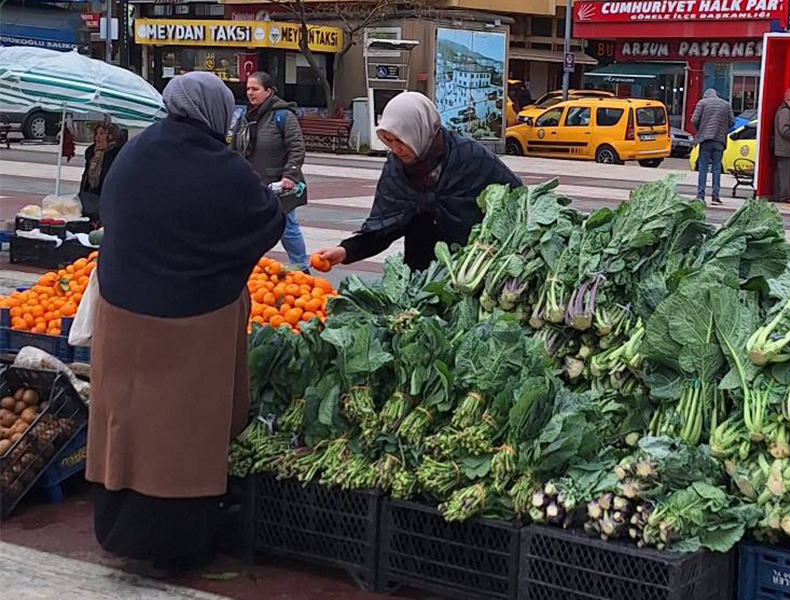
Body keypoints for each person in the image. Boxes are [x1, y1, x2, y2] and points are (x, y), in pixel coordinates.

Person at [86, 72, 285, 574]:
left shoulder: (133, 154)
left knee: (126, 427)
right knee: (180, 439)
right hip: (192, 327)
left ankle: (118, 531)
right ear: (215, 113)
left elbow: (112, 214)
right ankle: (178, 547)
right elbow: (266, 220)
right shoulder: (222, 168)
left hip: (122, 316)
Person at [315, 92, 521, 271]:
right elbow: (384, 225)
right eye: (389, 141)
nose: (395, 149)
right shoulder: (396, 168)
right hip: (422, 279)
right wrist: (345, 251)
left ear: (419, 130)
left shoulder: (470, 156)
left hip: (474, 271)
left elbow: (517, 199)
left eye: (400, 140)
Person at [232, 71, 308, 269]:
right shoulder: (246, 116)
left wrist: (289, 175)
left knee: (288, 227)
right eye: (248, 88)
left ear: (269, 91)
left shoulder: (283, 115)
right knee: (251, 227)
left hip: (279, 185)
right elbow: (234, 147)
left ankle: (301, 267)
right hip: (253, 183)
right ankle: (250, 268)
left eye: (255, 89)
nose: (250, 93)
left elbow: (297, 147)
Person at [691, 88, 733, 205]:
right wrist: (722, 129)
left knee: (703, 168)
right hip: (719, 140)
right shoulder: (726, 105)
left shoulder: (702, 103)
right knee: (716, 168)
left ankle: (700, 196)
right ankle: (715, 196)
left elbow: (694, 119)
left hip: (705, 139)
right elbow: (732, 121)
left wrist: (700, 129)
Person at [79, 122, 124, 221]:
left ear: (111, 136)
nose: (97, 137)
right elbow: (86, 176)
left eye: (102, 133)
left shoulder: (119, 154)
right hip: (90, 199)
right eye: (96, 134)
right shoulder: (92, 151)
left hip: (108, 200)